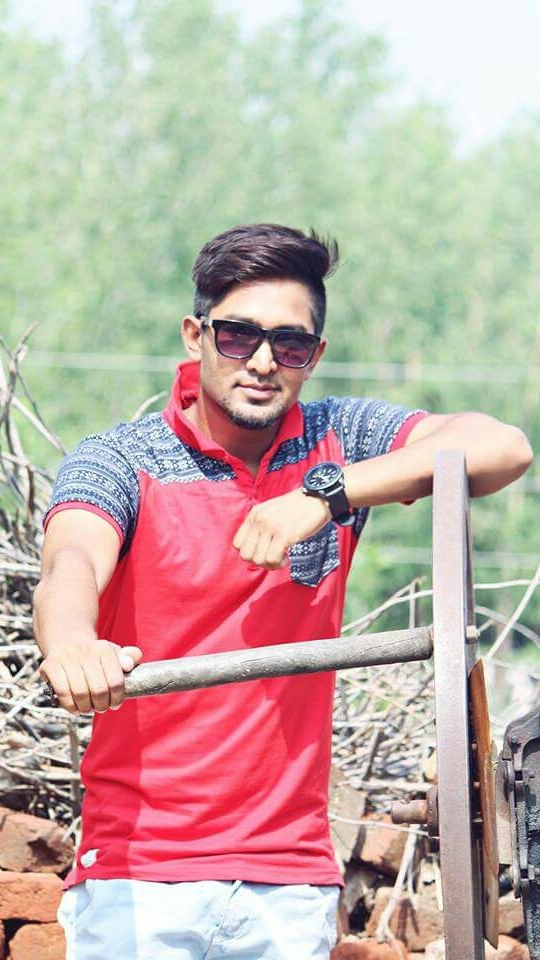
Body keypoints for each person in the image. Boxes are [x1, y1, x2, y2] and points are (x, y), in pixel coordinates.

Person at [34, 223, 533, 960]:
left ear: (314, 356)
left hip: (289, 883)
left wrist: (328, 494)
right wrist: (74, 643)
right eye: (238, 336)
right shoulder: (120, 457)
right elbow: (71, 559)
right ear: (195, 336)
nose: (263, 361)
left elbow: (504, 448)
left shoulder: (338, 440)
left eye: (289, 344)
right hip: (138, 877)